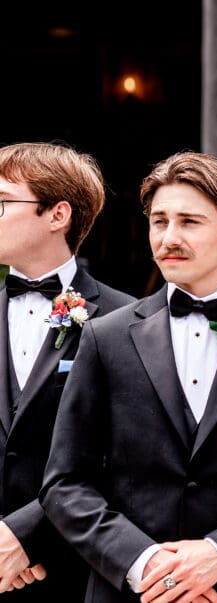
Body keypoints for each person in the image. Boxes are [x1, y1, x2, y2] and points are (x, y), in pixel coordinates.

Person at [40, 151, 217, 603]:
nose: (169, 238)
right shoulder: (104, 338)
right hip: (130, 591)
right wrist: (147, 565)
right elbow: (65, 483)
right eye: (160, 221)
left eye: (189, 222)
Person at [0, 142, 134, 600]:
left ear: (58, 215)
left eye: (1, 202)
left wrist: (26, 536)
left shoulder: (128, 321)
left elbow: (128, 457)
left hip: (77, 570)